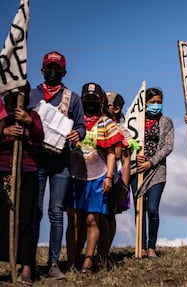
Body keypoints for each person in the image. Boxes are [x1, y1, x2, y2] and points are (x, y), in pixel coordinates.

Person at [29, 51, 85, 279]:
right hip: (36, 160)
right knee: (35, 212)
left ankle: (53, 264)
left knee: (56, 212)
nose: (53, 72)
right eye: (49, 68)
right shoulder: (31, 95)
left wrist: (76, 134)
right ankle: (28, 262)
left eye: (57, 68)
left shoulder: (72, 98)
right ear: (42, 70)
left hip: (62, 161)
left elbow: (81, 126)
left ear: (64, 72)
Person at [66, 83, 125, 275]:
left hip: (97, 177)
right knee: (74, 221)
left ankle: (88, 262)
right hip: (74, 176)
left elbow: (111, 153)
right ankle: (72, 261)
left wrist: (109, 176)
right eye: (87, 99)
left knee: (92, 219)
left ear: (100, 102)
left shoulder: (106, 123)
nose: (90, 102)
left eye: (94, 99)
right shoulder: (72, 120)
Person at [0, 83, 44, 285]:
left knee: (28, 219)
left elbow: (40, 137)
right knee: (2, 218)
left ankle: (27, 266)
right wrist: (5, 131)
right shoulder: (2, 115)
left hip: (27, 171)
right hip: (3, 170)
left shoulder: (32, 115)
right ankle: (6, 263)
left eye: (22, 93)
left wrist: (29, 123)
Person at [130, 87, 174, 259]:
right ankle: (140, 246)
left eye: (159, 102)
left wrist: (151, 162)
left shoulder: (166, 122)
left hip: (157, 171)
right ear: (145, 103)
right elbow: (127, 141)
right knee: (139, 208)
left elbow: (168, 146)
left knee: (152, 208)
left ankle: (151, 246)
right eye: (152, 102)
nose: (156, 105)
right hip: (137, 170)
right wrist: (136, 156)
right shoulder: (135, 121)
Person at [102, 91, 139, 261]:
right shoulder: (96, 125)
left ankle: (104, 253)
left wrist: (124, 186)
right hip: (92, 173)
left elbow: (125, 161)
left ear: (116, 109)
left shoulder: (123, 131)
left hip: (114, 177)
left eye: (107, 104)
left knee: (109, 214)